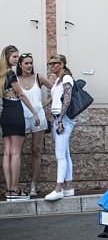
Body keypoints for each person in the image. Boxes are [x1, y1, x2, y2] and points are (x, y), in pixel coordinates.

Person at [1, 45, 41, 201]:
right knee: (15, 152)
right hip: (15, 110)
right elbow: (22, 95)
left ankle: (9, 190)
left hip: (5, 112)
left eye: (18, 57)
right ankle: (14, 189)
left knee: (7, 152)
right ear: (7, 58)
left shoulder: (0, 74)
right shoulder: (10, 73)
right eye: (15, 57)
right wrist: (35, 113)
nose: (17, 60)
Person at [17, 53, 54, 196]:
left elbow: (56, 90)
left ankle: (34, 185)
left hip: (38, 118)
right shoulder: (15, 79)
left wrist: (46, 103)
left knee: (36, 150)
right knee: (17, 153)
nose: (29, 66)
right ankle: (17, 185)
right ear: (20, 65)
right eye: (26, 63)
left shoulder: (38, 78)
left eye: (30, 63)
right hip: (21, 117)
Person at [44, 54, 76, 201]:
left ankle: (58, 188)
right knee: (66, 153)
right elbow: (55, 98)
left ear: (62, 64)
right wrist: (41, 106)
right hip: (59, 118)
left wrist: (61, 120)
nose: (51, 66)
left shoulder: (66, 78)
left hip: (64, 120)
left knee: (60, 155)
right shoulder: (58, 80)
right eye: (50, 64)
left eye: (55, 63)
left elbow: (67, 99)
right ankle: (68, 186)